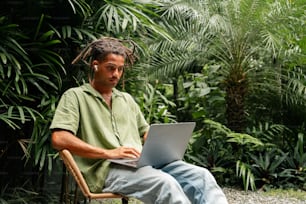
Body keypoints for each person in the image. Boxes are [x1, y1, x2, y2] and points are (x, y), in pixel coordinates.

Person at [50, 37, 228, 204]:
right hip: (106, 169)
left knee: (201, 176)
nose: (116, 74)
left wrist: (162, 148)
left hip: (141, 163)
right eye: (111, 68)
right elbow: (59, 138)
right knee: (165, 183)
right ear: (95, 65)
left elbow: (145, 132)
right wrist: (109, 153)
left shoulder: (126, 99)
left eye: (120, 69)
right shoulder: (75, 97)